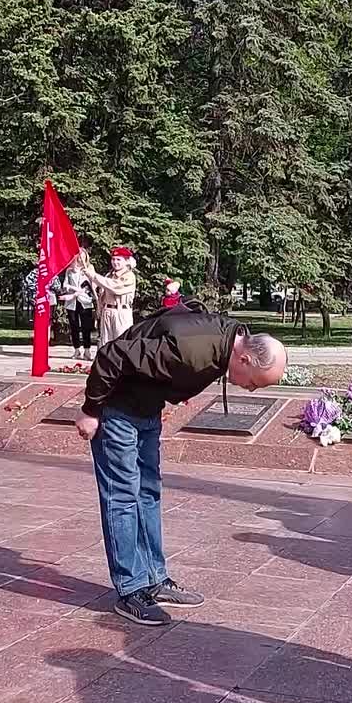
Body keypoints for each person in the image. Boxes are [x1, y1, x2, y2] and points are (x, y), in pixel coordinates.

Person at [73, 301, 288, 626]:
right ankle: (130, 590)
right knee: (123, 497)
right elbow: (111, 355)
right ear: (244, 358)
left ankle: (154, 579)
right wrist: (90, 410)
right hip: (117, 411)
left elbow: (180, 316)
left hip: (146, 409)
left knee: (148, 494)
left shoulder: (227, 340)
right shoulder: (192, 348)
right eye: (255, 382)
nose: (250, 388)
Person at [84, 247, 137, 347]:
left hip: (121, 312)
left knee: (121, 343)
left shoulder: (129, 276)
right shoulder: (109, 275)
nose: (115, 262)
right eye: (113, 259)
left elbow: (114, 287)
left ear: (126, 261)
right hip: (107, 311)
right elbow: (102, 294)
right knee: (105, 343)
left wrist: (94, 276)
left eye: (118, 259)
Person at [60, 250, 96, 360]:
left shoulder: (89, 268)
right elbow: (65, 285)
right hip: (72, 303)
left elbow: (90, 286)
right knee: (74, 326)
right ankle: (76, 350)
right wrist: (73, 289)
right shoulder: (70, 270)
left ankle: (87, 350)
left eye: (82, 255)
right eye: (78, 255)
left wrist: (76, 293)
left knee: (86, 327)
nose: (80, 257)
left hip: (85, 301)